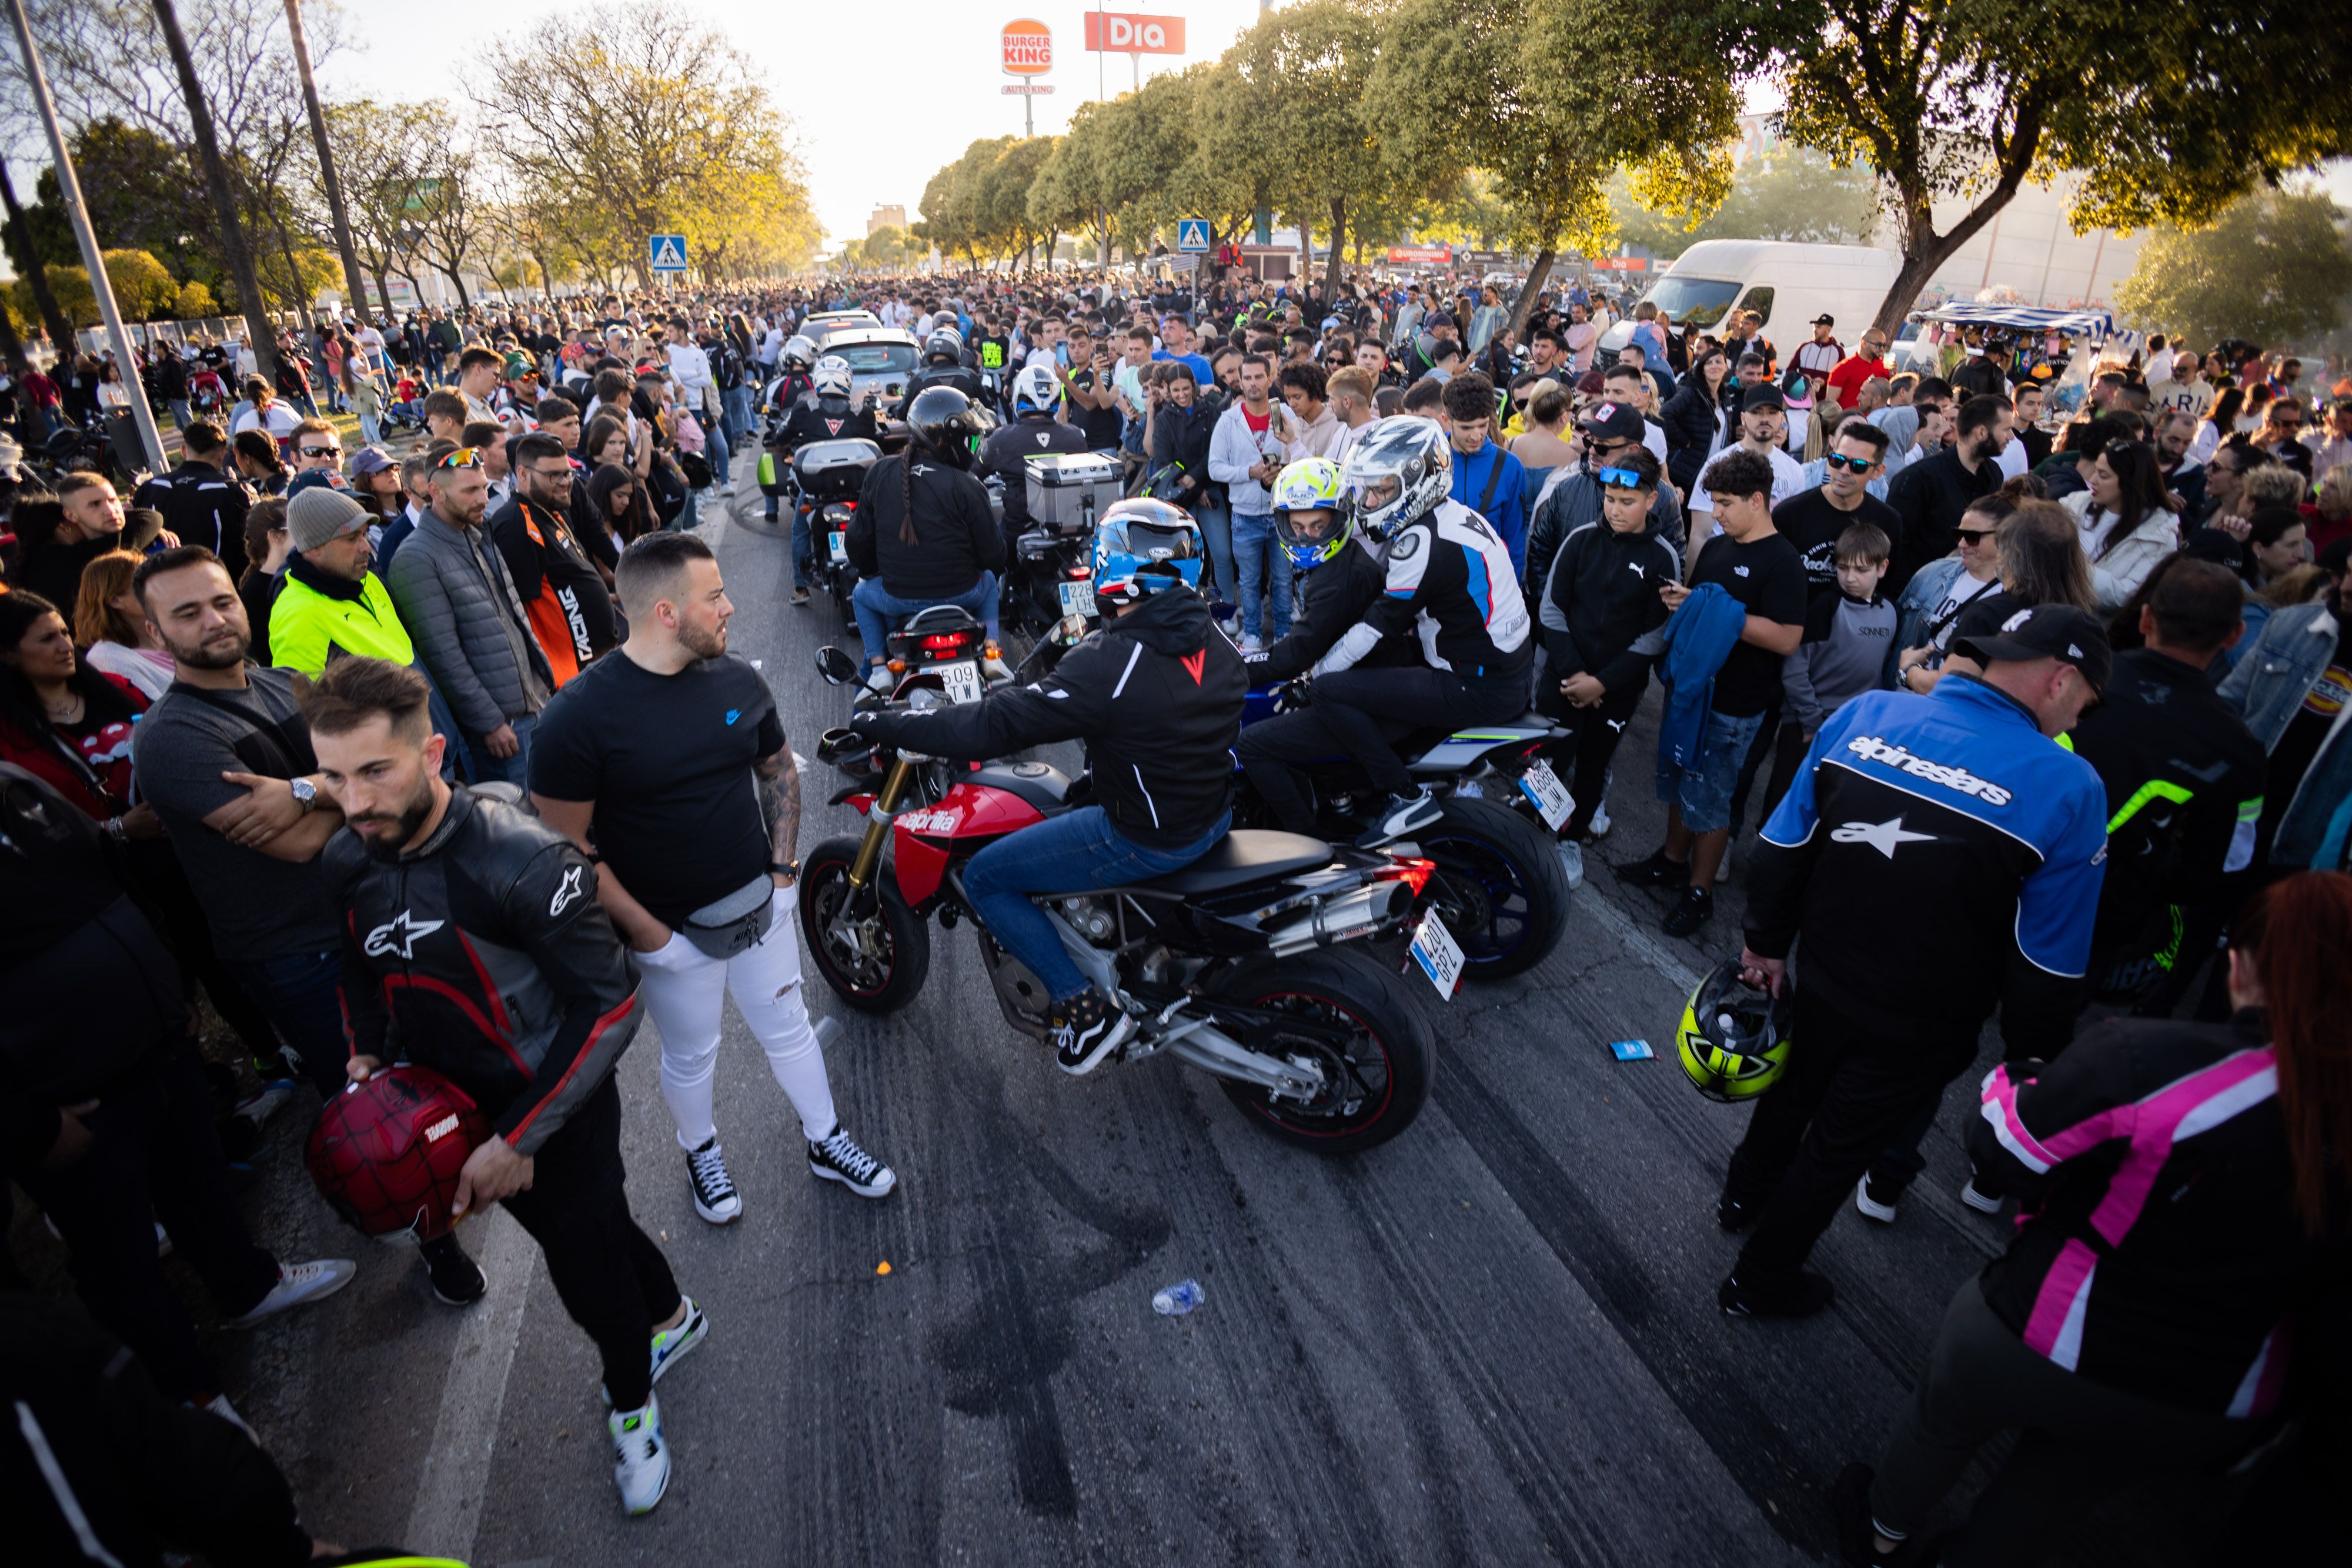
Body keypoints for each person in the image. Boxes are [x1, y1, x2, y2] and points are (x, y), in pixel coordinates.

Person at [1839, 872, 2351, 1568]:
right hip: (2210, 1394)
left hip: (2048, 1331)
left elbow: (2003, 1147)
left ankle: (1878, 1532)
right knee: (2053, 1492)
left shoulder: (2149, 1060)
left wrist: (2014, 1077)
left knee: (1946, 1412)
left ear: (2238, 964)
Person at [303, 658, 700, 1515]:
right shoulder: (347, 854)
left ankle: (632, 1398)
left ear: (434, 752)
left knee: (583, 1266)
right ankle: (670, 1310)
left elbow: (611, 1005)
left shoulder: (520, 858)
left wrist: (519, 1136)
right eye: (331, 774)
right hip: (452, 1104)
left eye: (376, 769)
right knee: (588, 1230)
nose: (354, 798)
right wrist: (366, 1053)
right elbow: (356, 966)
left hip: (555, 1104)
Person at [1716, 603, 2111, 1322]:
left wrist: (1764, 946)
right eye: (2083, 705)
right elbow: (2048, 966)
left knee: (1790, 1096)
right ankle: (1759, 1279)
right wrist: (2031, 1064)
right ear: (2061, 679)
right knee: (1836, 1149)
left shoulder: (1868, 713)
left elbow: (1779, 848)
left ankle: (1739, 1198)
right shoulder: (2071, 788)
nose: (2077, 726)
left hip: (1821, 977)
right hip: (1923, 1022)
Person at [532, 532, 894, 1223]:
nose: (730, 608)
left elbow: (778, 770)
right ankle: (699, 1150)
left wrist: (785, 877)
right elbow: (562, 844)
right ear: (667, 612)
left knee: (787, 1028)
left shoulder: (736, 681)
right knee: (694, 1053)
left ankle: (826, 1140)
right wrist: (649, 934)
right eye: (716, 595)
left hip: (758, 908)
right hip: (666, 930)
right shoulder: (576, 718)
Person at [0, 761, 355, 1427]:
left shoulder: (20, 790)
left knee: (199, 1186)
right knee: (120, 1258)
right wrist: (29, 1127)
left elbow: (120, 882)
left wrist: (173, 986)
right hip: (69, 1100)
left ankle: (248, 1288)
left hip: (157, 1041)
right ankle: (189, 1393)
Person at [848, 540, 1247, 1074]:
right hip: (1210, 813)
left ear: (1119, 573)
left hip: (1144, 836)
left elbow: (997, 723)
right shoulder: (1215, 634)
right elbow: (1163, 729)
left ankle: (1085, 1011)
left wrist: (887, 721)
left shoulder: (1112, 659)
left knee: (989, 877)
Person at [1308, 416, 1536, 845]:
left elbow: (1377, 627)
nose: (1371, 499)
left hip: (1474, 686)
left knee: (1328, 691)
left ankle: (1404, 794)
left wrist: (1315, 672)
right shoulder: (1457, 515)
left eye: (1383, 489)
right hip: (1510, 670)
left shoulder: (1419, 542)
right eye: (1368, 488)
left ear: (1421, 479)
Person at [1619, 449, 1807, 935]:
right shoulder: (1721, 547)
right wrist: (1687, 602)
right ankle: (1670, 860)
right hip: (1692, 691)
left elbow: (1788, 636)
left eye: (1724, 503)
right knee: (1682, 783)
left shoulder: (1783, 562)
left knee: (1712, 798)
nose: (1716, 513)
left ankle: (1699, 892)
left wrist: (1718, 612)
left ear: (1758, 500)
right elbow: (1702, 601)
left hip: (1735, 704)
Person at [1533, 446, 1679, 885]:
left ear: (1652, 500)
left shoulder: (1662, 556)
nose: (1616, 510)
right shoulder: (1580, 540)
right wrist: (1575, 672)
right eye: (1610, 500)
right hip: (1563, 678)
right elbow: (1552, 609)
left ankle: (1570, 839)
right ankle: (1535, 830)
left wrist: (1601, 682)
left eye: (1627, 502)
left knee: (1593, 766)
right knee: (1548, 759)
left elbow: (1655, 634)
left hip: (1615, 689)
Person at [385, 446, 554, 786]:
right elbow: (443, 656)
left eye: (482, 487)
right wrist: (489, 723)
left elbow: (512, 620)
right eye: (470, 491)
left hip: (532, 706)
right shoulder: (416, 558)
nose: (482, 497)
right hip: (499, 729)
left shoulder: (478, 534)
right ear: (436, 493)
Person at [846, 386, 1005, 686]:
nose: (969, 444)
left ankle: (879, 667)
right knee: (990, 584)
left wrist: (877, 571)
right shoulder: (968, 484)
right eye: (965, 436)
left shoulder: (880, 473)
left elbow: (857, 549)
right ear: (945, 437)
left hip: (896, 598)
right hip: (964, 593)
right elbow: (994, 557)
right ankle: (992, 650)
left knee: (860, 594)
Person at [1758, 521, 1896, 823]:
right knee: (1785, 800)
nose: (1850, 578)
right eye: (1844, 568)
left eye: (1862, 570)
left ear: (1882, 568)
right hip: (1806, 725)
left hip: (1853, 730)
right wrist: (1811, 722)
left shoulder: (1890, 612)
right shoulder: (1825, 607)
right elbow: (1794, 670)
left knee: (1824, 806)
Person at [2219, 570, 2352, 872]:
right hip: (2235, 821)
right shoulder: (2292, 624)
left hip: (2312, 852)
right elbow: (2226, 706)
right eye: (2348, 572)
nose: (2347, 587)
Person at [491, 431, 617, 676]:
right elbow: (525, 609)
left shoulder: (552, 508)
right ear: (523, 474)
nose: (565, 482)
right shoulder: (515, 522)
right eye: (554, 475)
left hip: (596, 656)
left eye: (567, 473)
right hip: (575, 669)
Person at [1207, 355, 1301, 651]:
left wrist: (1280, 471)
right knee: (1248, 581)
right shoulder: (1228, 420)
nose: (1252, 383)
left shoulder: (1285, 414)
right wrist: (1250, 473)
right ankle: (1253, 634)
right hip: (1245, 514)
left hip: (1282, 512)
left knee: (1284, 580)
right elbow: (1215, 468)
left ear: (1270, 379)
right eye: (1246, 378)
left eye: (1258, 377)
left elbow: (1301, 457)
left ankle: (1285, 632)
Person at [266, 487, 412, 676]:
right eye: (352, 538)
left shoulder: (367, 580)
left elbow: (406, 656)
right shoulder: (299, 612)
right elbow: (302, 701)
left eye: (364, 535)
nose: (367, 547)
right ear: (314, 547)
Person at [1886, 393, 2013, 594]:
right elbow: (1895, 545)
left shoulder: (1993, 474)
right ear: (1981, 432)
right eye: (2006, 429)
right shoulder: (1918, 478)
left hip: (1973, 590)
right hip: (1922, 594)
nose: (2011, 437)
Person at [1683, 383, 1809, 577]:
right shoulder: (1718, 464)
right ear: (1743, 417)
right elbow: (1700, 535)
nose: (1765, 419)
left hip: (1769, 569)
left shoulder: (1794, 470)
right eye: (1757, 412)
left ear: (1782, 417)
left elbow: (1793, 531)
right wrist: (1690, 587)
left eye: (1772, 412)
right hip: (1722, 565)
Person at [1770, 420, 1902, 601]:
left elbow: (1887, 590)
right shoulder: (1790, 513)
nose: (1844, 471)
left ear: (1877, 472)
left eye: (1858, 465)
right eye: (1837, 460)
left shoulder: (1888, 522)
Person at [980, 362, 1091, 550]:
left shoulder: (1001, 438)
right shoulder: (1075, 436)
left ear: (1019, 396)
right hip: (1069, 530)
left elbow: (974, 474)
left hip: (1017, 530)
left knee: (987, 556)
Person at [132, 420, 248, 580]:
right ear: (222, 453)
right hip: (220, 584)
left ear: (184, 451)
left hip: (161, 585)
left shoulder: (150, 487)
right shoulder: (232, 490)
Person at [73, 549, 178, 701]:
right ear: (115, 600)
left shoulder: (175, 635)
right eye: (145, 583)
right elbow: (160, 712)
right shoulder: (107, 658)